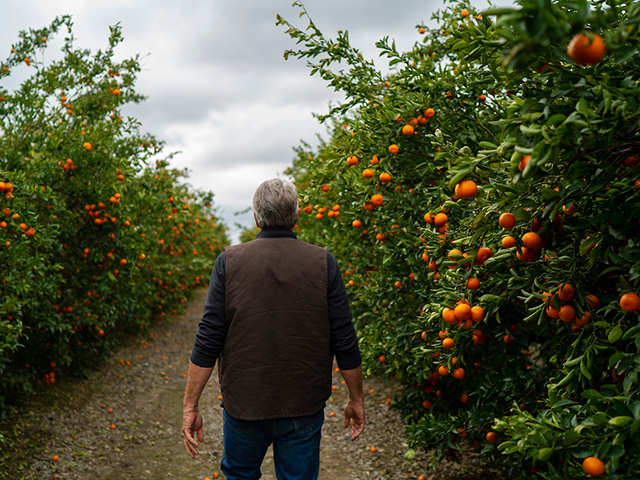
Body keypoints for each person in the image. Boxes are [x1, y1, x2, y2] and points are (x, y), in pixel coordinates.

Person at [182, 178, 365, 480]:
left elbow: (209, 338)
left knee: (240, 475)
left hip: (245, 403)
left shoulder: (228, 262)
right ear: (296, 216)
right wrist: (356, 398)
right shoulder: (323, 262)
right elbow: (344, 338)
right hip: (303, 403)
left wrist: (190, 405)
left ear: (256, 217)